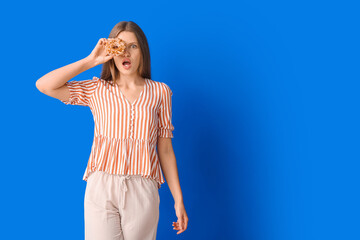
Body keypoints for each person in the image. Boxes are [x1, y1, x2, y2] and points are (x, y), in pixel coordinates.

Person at [36, 21, 188, 240]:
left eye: (133, 46)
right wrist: (91, 60)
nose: (126, 52)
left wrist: (178, 199)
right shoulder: (97, 89)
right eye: (120, 46)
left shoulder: (160, 92)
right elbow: (44, 85)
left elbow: (164, 150)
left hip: (142, 186)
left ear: (142, 51)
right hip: (102, 185)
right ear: (111, 51)